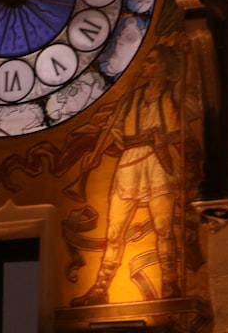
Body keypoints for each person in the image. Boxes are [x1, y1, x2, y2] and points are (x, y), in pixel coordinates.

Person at [71, 46, 183, 306]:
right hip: (130, 160)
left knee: (163, 229)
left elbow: (184, 127)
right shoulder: (132, 97)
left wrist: (165, 137)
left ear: (164, 67)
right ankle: (100, 289)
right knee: (114, 231)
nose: (145, 66)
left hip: (159, 159)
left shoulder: (174, 93)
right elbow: (113, 129)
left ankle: (170, 283)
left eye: (152, 61)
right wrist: (95, 155)